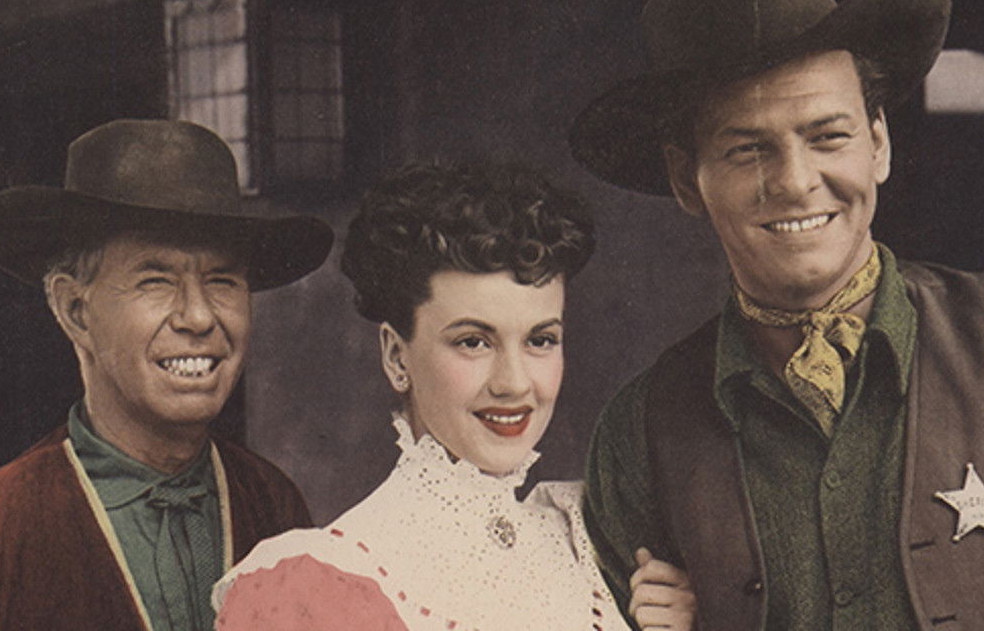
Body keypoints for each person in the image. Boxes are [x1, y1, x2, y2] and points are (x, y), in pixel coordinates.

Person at [571, 0, 984, 630]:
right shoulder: (639, 433)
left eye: (828, 136)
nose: (795, 182)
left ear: (878, 145)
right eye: (748, 149)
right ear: (687, 180)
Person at [0, 119, 333, 631]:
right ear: (75, 310)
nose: (198, 317)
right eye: (155, 280)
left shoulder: (276, 507)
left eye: (222, 280)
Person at [210, 163, 695, 630]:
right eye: (473, 342)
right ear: (396, 356)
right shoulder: (315, 585)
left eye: (540, 340)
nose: (514, 383)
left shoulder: (593, 543)